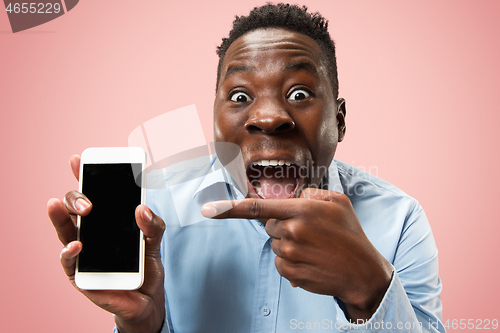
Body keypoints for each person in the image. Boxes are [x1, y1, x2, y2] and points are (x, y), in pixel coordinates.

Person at [47, 4, 445, 332]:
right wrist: (143, 325)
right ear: (215, 119)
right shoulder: (155, 211)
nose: (269, 117)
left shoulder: (400, 219)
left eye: (299, 93)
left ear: (339, 120)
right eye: (239, 95)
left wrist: (371, 292)